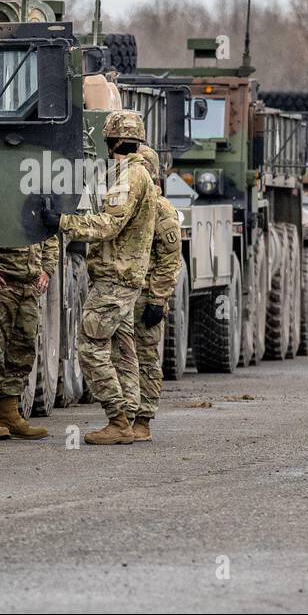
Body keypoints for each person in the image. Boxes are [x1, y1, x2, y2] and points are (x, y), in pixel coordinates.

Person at [41, 110, 156, 445]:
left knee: (90, 347)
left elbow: (109, 225)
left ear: (111, 141)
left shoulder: (128, 177)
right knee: (123, 349)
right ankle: (131, 418)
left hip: (114, 281)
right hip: (125, 280)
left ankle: (118, 419)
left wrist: (62, 222)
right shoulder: (139, 174)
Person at [0, 238, 58, 440]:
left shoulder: (34, 205)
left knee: (22, 352)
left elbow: (50, 234)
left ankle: (9, 414)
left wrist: (47, 269)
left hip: (28, 287)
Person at [130, 146, 182, 442]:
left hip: (148, 295)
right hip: (126, 293)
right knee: (123, 358)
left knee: (146, 359)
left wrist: (158, 299)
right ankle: (124, 416)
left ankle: (143, 419)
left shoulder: (161, 209)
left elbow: (170, 259)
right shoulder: (130, 203)